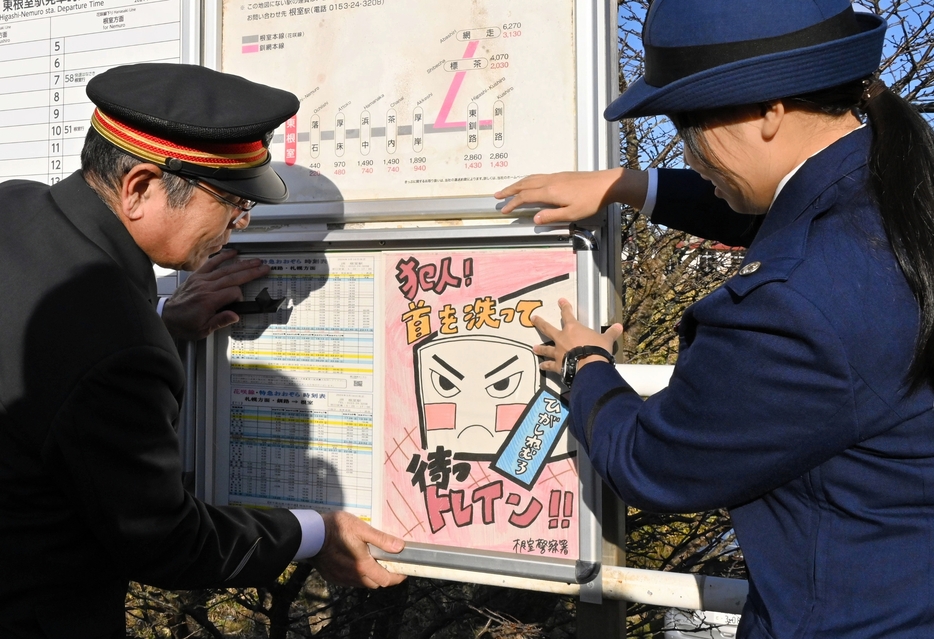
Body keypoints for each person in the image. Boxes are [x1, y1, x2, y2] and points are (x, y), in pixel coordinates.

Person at [496, 1, 934, 637]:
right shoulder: (898, 192)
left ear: (768, 111)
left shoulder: (792, 308)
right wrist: (628, 184)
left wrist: (586, 365)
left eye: (687, 124)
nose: (689, 151)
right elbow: (779, 209)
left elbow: (655, 463)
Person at [0, 63, 404, 639]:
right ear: (140, 187)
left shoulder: (16, 206)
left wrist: (161, 318)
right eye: (233, 203)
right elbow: (162, 540)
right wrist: (312, 532)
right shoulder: (121, 347)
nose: (238, 225)